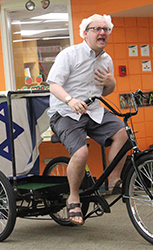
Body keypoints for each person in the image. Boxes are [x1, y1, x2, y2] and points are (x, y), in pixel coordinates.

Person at [46, 14, 128, 225]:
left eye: (105, 29)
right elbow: (53, 84)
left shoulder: (106, 59)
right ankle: (73, 196)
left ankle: (114, 179)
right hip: (65, 113)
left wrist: (112, 82)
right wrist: (70, 100)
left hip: (93, 111)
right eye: (96, 29)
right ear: (85, 33)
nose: (102, 32)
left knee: (123, 133)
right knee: (81, 152)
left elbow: (106, 91)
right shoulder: (69, 55)